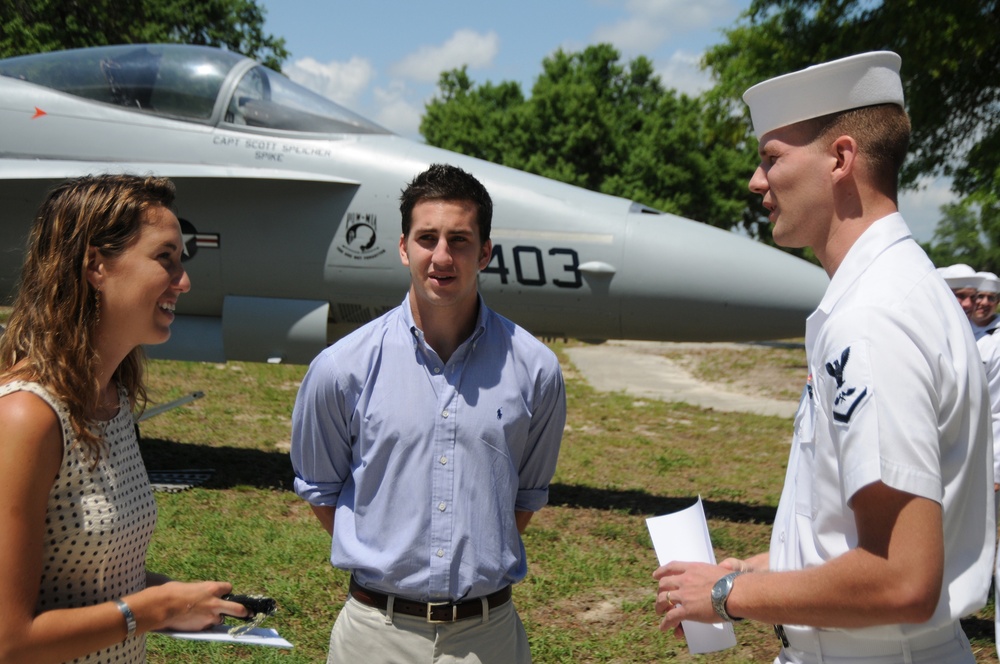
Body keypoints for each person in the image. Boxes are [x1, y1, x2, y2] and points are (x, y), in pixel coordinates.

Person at [653, 52, 993, 663]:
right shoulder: (903, 290)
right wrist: (757, 567)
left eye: (772, 158)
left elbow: (901, 578)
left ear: (840, 159)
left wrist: (731, 593)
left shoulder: (872, 318)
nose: (756, 182)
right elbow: (854, 533)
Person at [290, 163, 566, 664]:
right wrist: (391, 559)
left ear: (485, 252)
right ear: (403, 248)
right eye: (427, 238)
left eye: (460, 240)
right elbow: (321, 491)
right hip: (375, 636)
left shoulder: (536, 370)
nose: (442, 256)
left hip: (489, 639)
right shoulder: (340, 368)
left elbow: (524, 498)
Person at [0, 174, 248, 663]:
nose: (184, 281)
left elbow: (89, 585)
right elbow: (10, 640)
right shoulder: (26, 416)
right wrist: (151, 610)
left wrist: (179, 599)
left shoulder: (111, 401)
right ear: (96, 265)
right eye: (165, 259)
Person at [972, 271, 1000, 339]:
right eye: (980, 296)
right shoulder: (959, 326)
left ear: (997, 302)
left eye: (991, 298)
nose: (984, 303)